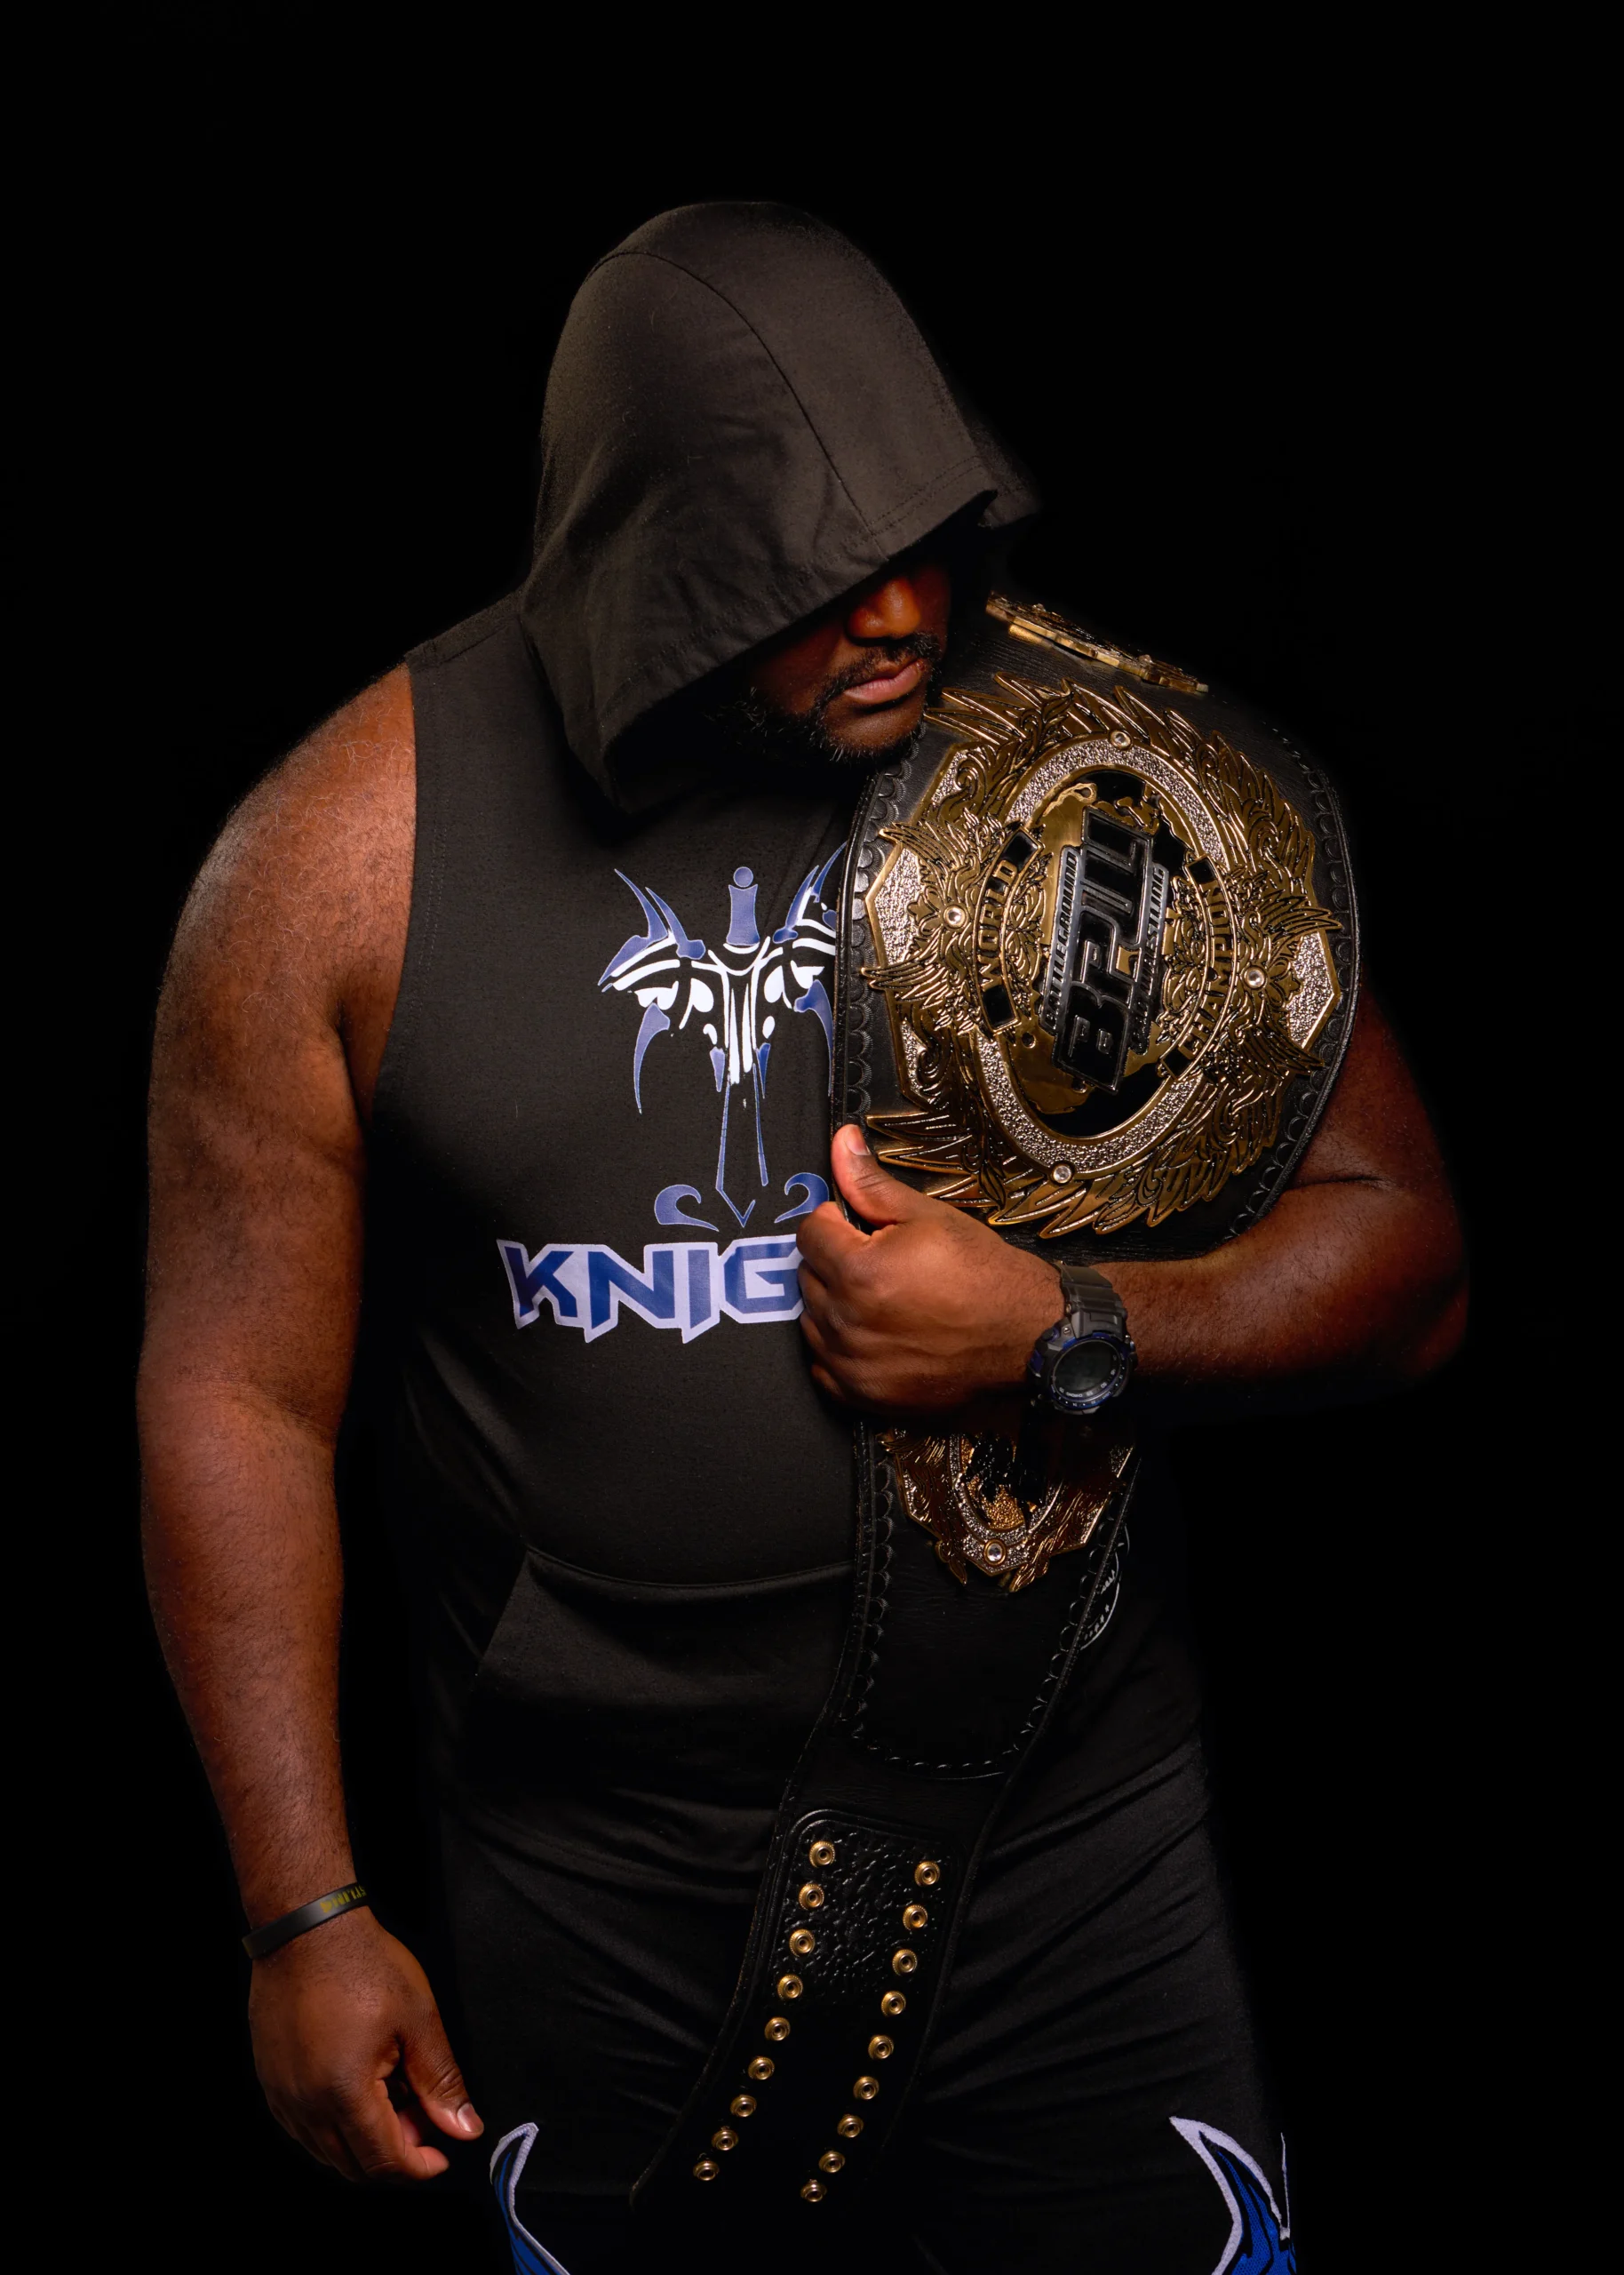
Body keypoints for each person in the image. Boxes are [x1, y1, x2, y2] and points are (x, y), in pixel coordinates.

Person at [139, 203, 1465, 2273]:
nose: (905, 608)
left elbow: (1405, 1259)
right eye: (820, 570)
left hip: (1058, 1836)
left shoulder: (1101, 795)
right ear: (652, 552)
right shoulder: (335, 868)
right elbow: (236, 1393)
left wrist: (1060, 1324)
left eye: (927, 534)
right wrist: (299, 1906)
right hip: (594, 1870)